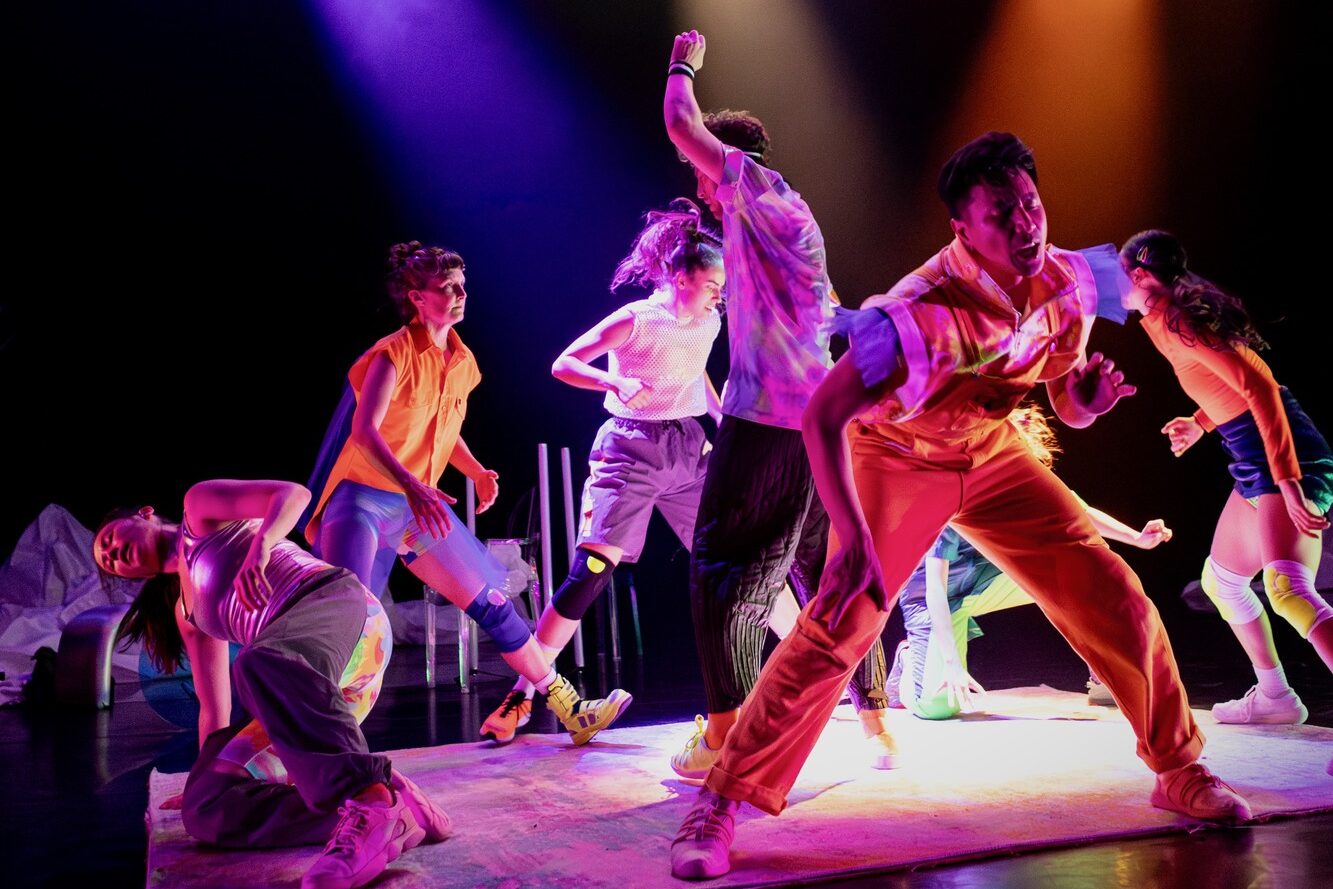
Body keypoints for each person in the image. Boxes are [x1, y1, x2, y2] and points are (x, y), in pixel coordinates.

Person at [670, 131, 1252, 880]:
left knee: (1116, 595)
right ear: (962, 230)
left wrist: (1087, 401)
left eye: (1030, 204)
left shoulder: (1070, 283)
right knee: (841, 619)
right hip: (899, 456)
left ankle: (1178, 769)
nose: (1025, 224)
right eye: (1002, 213)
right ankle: (722, 799)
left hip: (993, 454)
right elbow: (822, 413)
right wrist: (848, 540)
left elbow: (1062, 397)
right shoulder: (916, 313)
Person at [663, 29, 897, 780]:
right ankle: (876, 723)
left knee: (720, 568)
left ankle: (725, 732)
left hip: (767, 421)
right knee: (820, 566)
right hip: (811, 419)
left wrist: (682, 62)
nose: (697, 187)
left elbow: (678, 121)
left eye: (699, 173)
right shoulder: (791, 220)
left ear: (725, 161)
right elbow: (828, 313)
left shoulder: (753, 189)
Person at [304, 242, 630, 745]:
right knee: (348, 623)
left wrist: (476, 471)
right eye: (448, 288)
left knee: (495, 601)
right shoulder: (390, 355)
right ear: (417, 297)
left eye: (462, 285)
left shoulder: (461, 360)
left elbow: (440, 426)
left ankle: (566, 707)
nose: (460, 294)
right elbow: (365, 430)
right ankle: (303, 740)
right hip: (362, 499)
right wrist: (414, 485)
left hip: (416, 505)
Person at [98, 479, 450, 889]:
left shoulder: (199, 510)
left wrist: (262, 543)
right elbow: (215, 708)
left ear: (143, 513)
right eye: (108, 562)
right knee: (207, 805)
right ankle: (391, 807)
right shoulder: (186, 614)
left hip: (339, 611)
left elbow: (294, 495)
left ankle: (370, 798)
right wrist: (202, 774)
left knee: (258, 661)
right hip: (311, 689)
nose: (111, 554)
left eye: (108, 539)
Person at [479, 202, 724, 743]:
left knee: (730, 554)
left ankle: (812, 674)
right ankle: (520, 698)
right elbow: (564, 363)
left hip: (687, 446)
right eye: (710, 283)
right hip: (629, 449)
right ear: (680, 278)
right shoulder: (635, 318)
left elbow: (696, 367)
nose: (717, 294)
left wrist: (719, 414)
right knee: (592, 572)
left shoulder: (709, 320)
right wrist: (614, 384)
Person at [1120, 230, 1332, 724]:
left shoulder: (1178, 320)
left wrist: (1288, 481)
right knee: (1222, 581)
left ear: (1139, 276)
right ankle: (1276, 697)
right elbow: (1229, 389)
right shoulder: (1160, 317)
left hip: (1287, 455)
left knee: (1288, 591)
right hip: (1255, 459)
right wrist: (1199, 422)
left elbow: (1261, 387)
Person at [886, 405, 1174, 719]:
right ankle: (909, 659)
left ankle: (1100, 669)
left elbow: (1078, 512)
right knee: (938, 708)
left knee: (1080, 560)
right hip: (938, 599)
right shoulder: (954, 492)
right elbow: (934, 590)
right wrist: (952, 664)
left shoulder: (1022, 485)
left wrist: (1137, 538)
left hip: (988, 582)